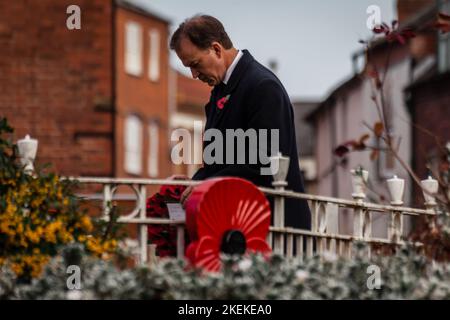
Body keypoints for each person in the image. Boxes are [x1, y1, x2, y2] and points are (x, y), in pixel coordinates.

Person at [170, 15, 311, 230]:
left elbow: (265, 162)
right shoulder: (220, 90)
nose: (194, 75)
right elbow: (220, 161)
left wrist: (205, 182)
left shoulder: (262, 86)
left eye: (196, 64)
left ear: (216, 49)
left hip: (277, 226)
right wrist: (195, 181)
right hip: (240, 222)